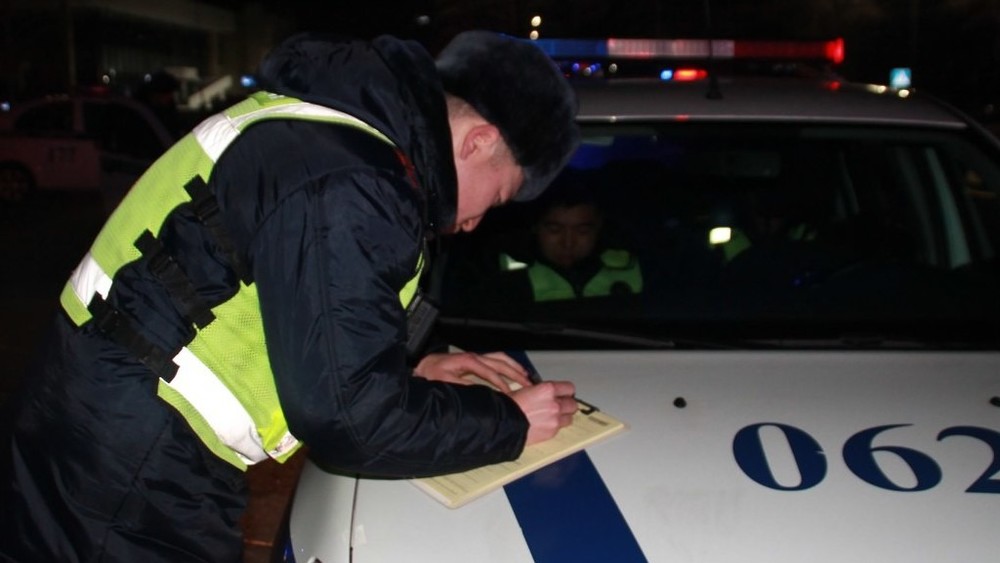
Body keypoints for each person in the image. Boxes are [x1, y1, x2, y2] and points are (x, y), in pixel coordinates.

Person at [0, 30, 580, 562]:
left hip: (100, 418)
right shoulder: (355, 182)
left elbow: (292, 312)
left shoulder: (325, 132)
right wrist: (509, 423)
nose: (475, 223)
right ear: (479, 141)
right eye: (497, 198)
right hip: (136, 460)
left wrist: (409, 373)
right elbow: (349, 420)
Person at [493, 170, 643, 303]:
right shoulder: (503, 274)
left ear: (598, 226)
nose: (568, 243)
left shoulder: (631, 267)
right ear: (536, 226)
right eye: (554, 230)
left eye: (582, 231)